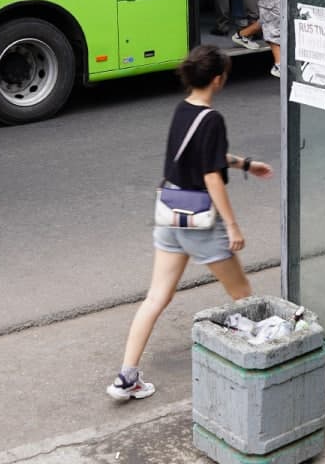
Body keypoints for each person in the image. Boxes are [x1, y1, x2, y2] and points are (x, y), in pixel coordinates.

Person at [107, 44, 273, 401]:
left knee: (156, 297)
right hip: (201, 224)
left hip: (169, 216)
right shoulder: (212, 119)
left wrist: (245, 164)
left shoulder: (183, 110)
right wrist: (232, 226)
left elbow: (204, 157)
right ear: (218, 80)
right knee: (242, 295)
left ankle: (126, 376)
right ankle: (262, 374)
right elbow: (210, 175)